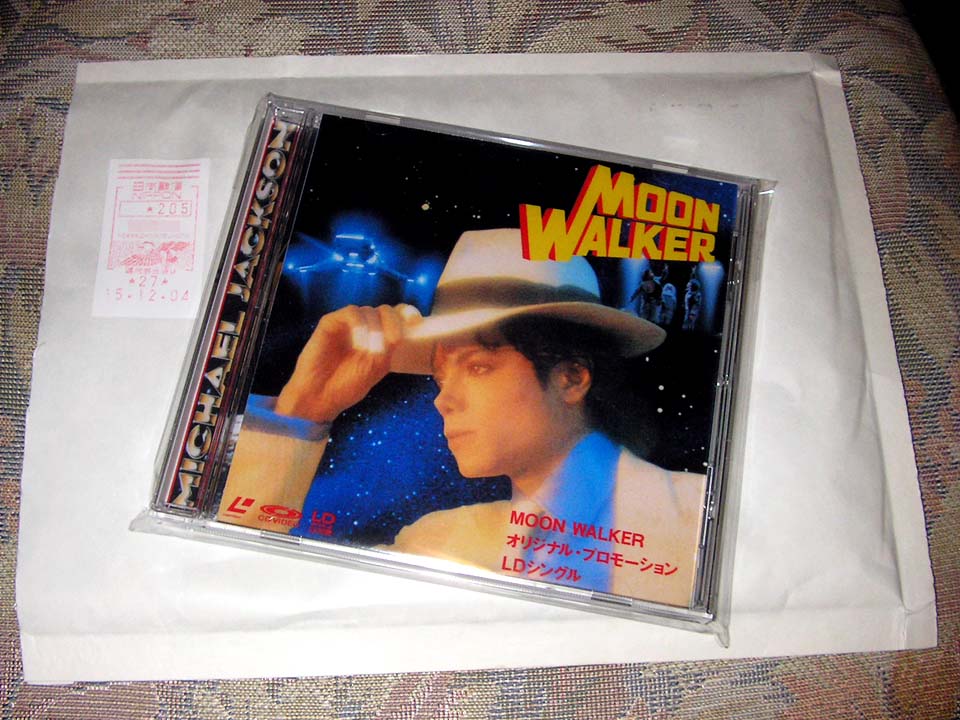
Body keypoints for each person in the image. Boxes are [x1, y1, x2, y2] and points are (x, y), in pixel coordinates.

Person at [220, 228, 706, 607]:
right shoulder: (435, 542)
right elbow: (240, 593)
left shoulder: (702, 517)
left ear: (571, 378)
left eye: (477, 368)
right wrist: (301, 412)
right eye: (439, 376)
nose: (443, 400)